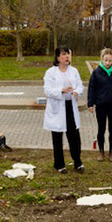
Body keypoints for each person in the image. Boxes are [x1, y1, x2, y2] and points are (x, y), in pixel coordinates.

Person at [43, 46, 85, 174]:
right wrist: (61, 90)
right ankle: (59, 164)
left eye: (68, 54)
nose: (66, 57)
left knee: (74, 137)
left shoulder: (74, 71)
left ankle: (77, 162)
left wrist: (77, 92)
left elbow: (80, 85)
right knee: (57, 137)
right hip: (57, 107)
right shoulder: (51, 72)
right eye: (63, 54)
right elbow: (47, 90)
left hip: (70, 106)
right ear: (57, 58)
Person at [88, 48, 112, 162]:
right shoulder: (96, 72)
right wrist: (90, 103)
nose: (108, 63)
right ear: (102, 59)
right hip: (100, 105)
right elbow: (92, 89)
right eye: (106, 60)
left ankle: (111, 152)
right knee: (101, 129)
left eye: (110, 61)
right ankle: (101, 152)